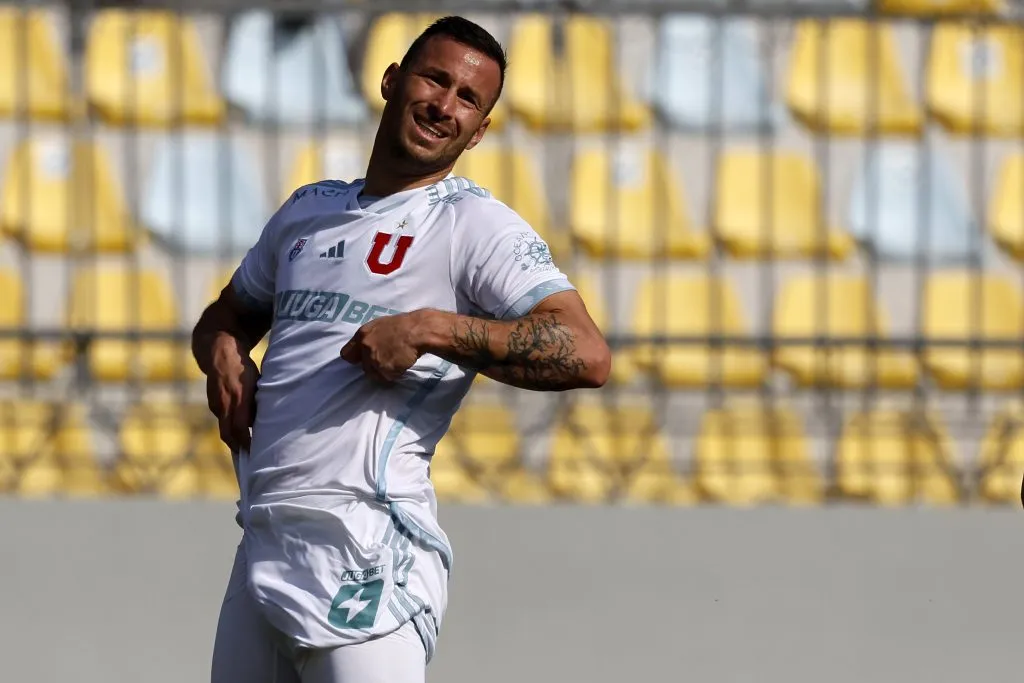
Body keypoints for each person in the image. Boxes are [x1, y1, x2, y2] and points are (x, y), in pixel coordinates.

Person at [193, 15, 611, 683]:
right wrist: (222, 350)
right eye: (435, 79)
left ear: (480, 132)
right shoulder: (308, 211)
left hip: (369, 549)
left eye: (468, 99)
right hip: (263, 544)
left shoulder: (473, 226)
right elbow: (227, 314)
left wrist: (430, 328)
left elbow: (585, 352)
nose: (445, 105)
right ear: (390, 81)